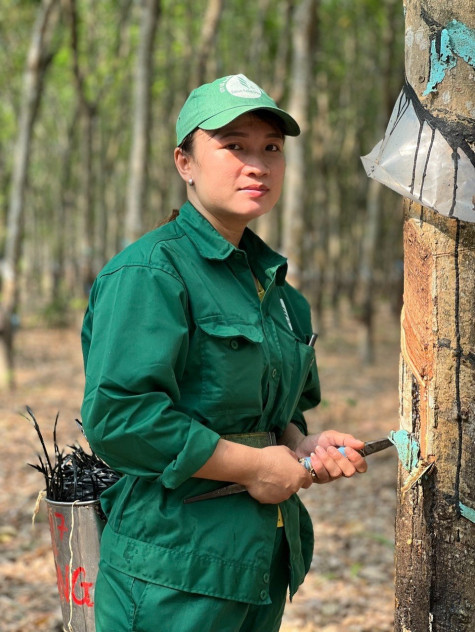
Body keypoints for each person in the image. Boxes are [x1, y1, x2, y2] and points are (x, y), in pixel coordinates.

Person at [81, 73, 367, 632]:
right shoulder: (152, 273)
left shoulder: (280, 293)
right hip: (171, 574)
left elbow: (273, 417)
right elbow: (122, 418)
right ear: (184, 162)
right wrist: (258, 466)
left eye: (271, 149)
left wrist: (301, 445)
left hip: (256, 563)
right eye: (233, 145)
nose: (256, 164)